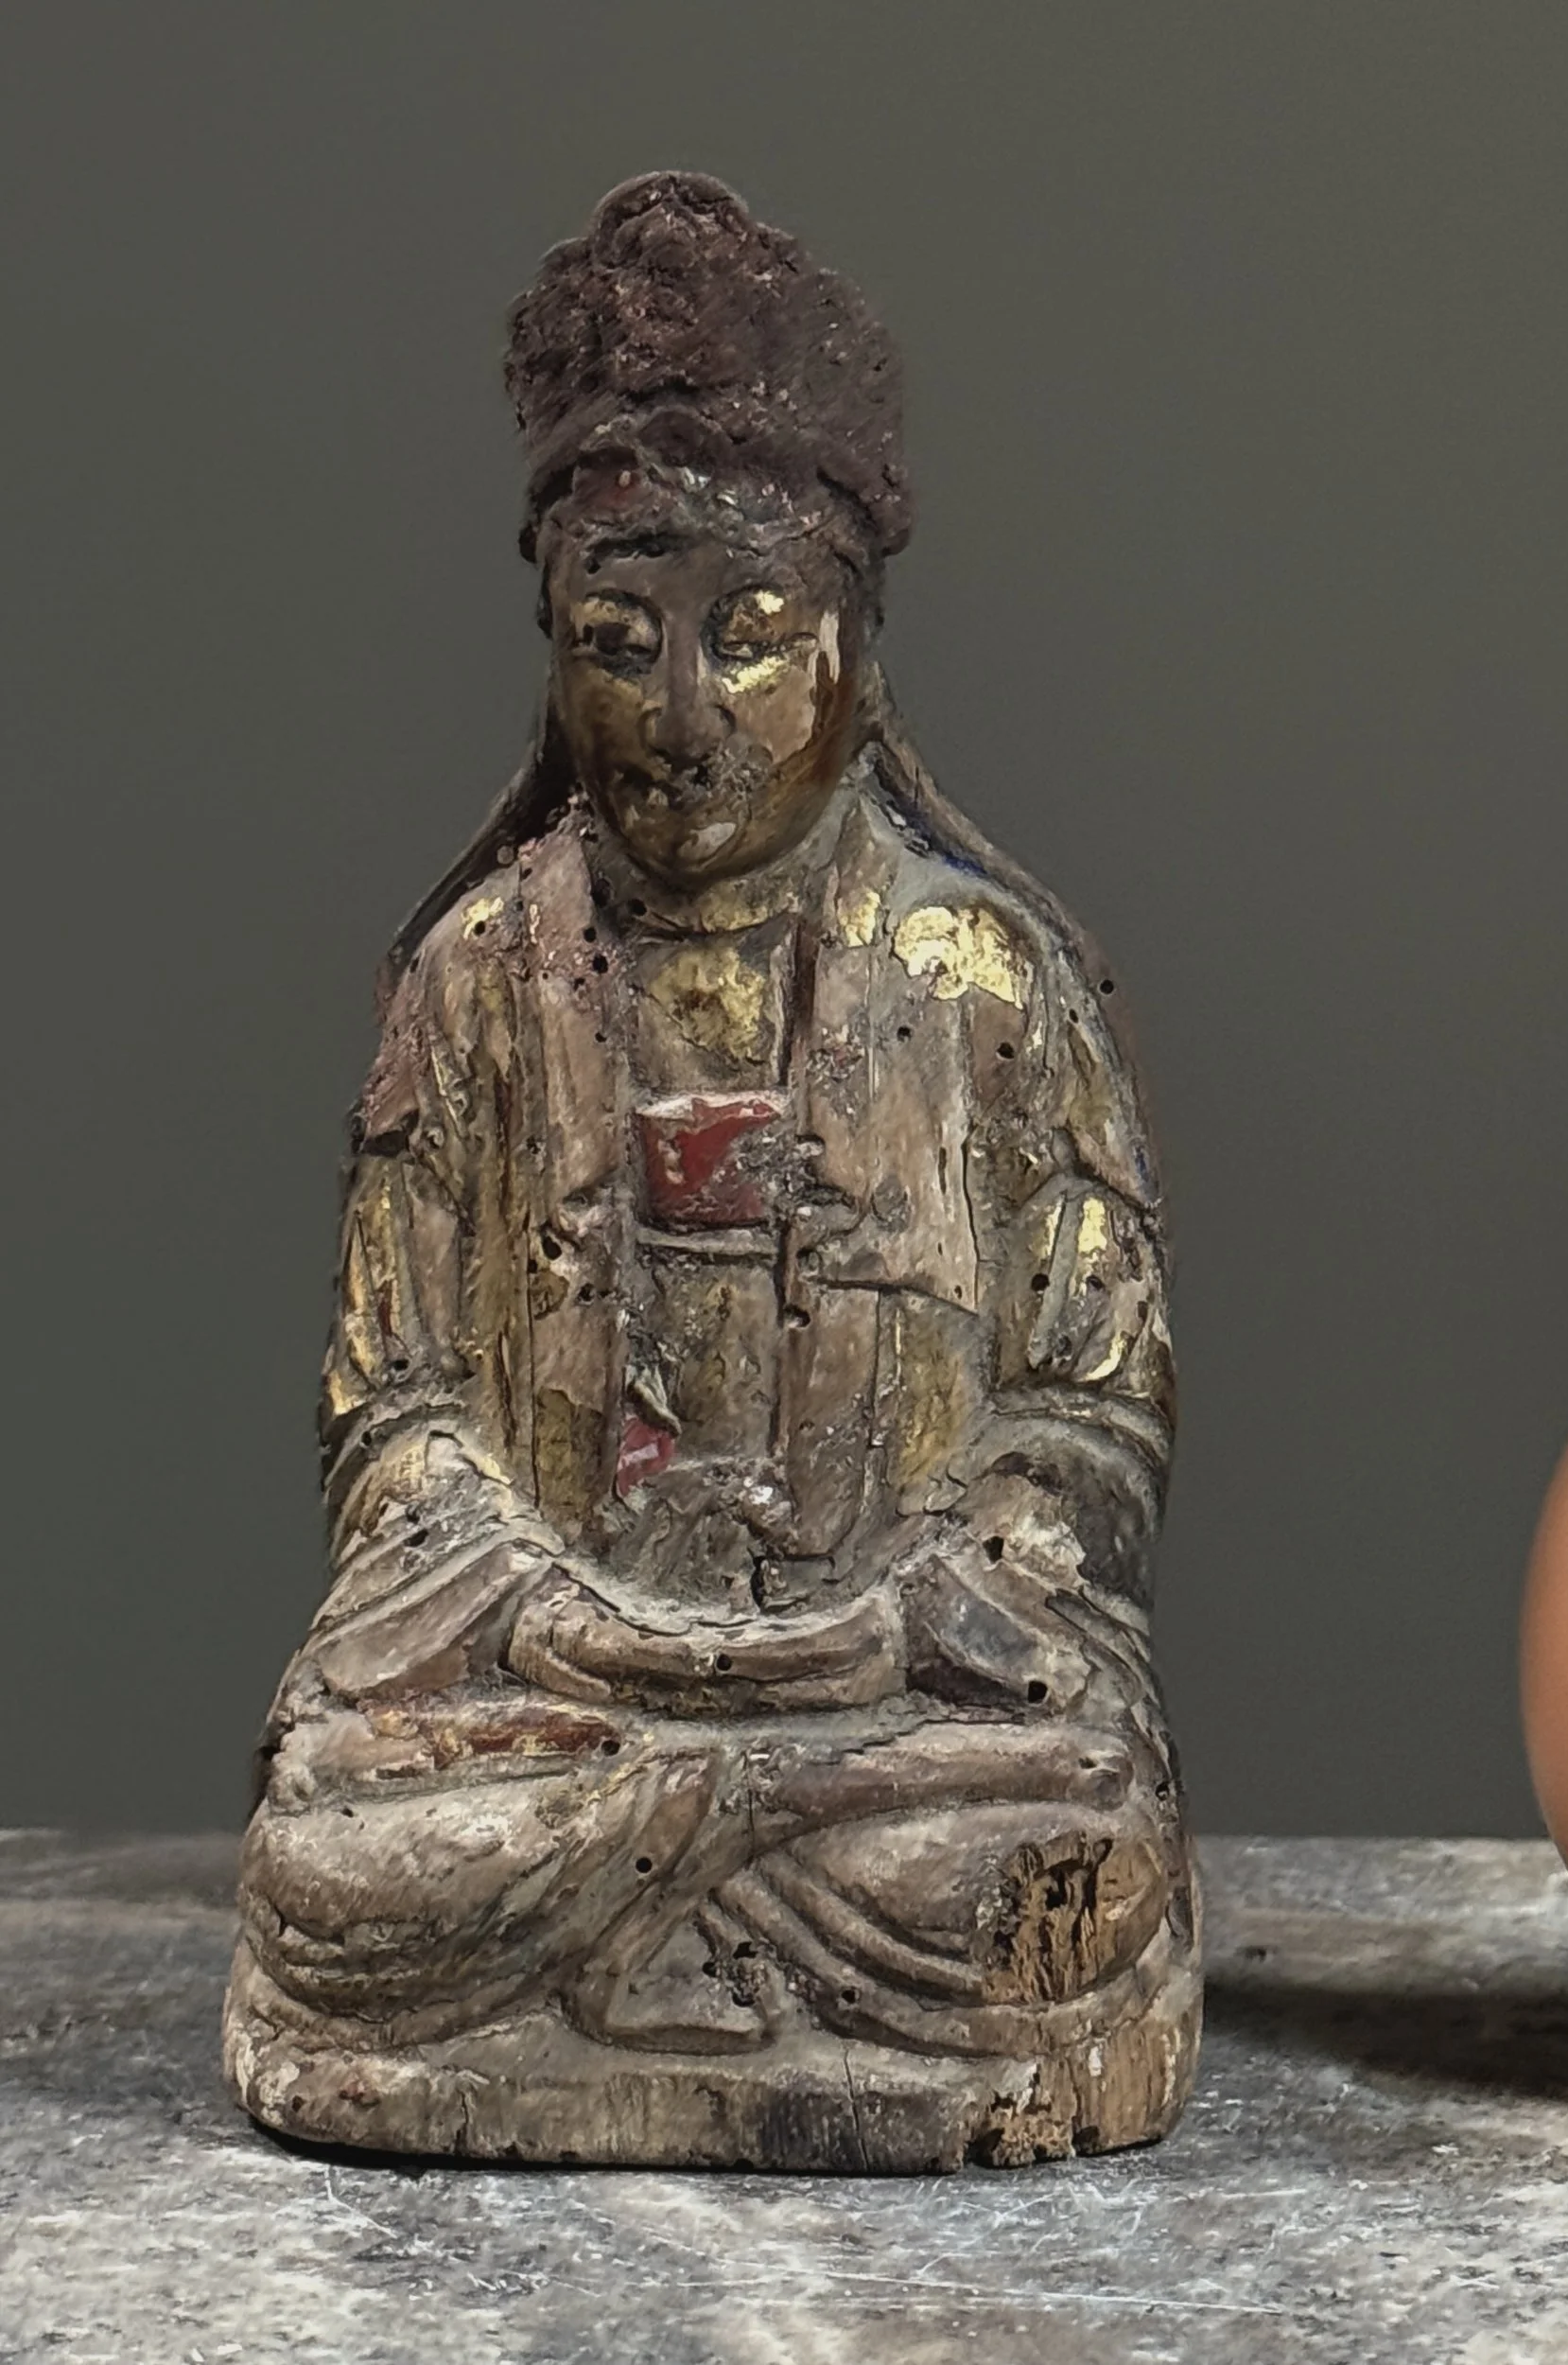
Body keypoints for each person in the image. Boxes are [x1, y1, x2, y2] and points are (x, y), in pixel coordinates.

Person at [223, 173, 1198, 2171]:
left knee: (1057, 1835)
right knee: (343, 1851)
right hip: (554, 1700)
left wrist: (892, 1616)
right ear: (551, 653)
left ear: (851, 641)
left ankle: (664, 1910)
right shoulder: (482, 974)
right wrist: (559, 1619)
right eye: (619, 640)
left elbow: (1082, 1422)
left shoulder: (983, 984)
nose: (685, 717)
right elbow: (393, 1403)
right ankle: (685, 1897)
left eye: (752, 639)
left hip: (902, 1704)